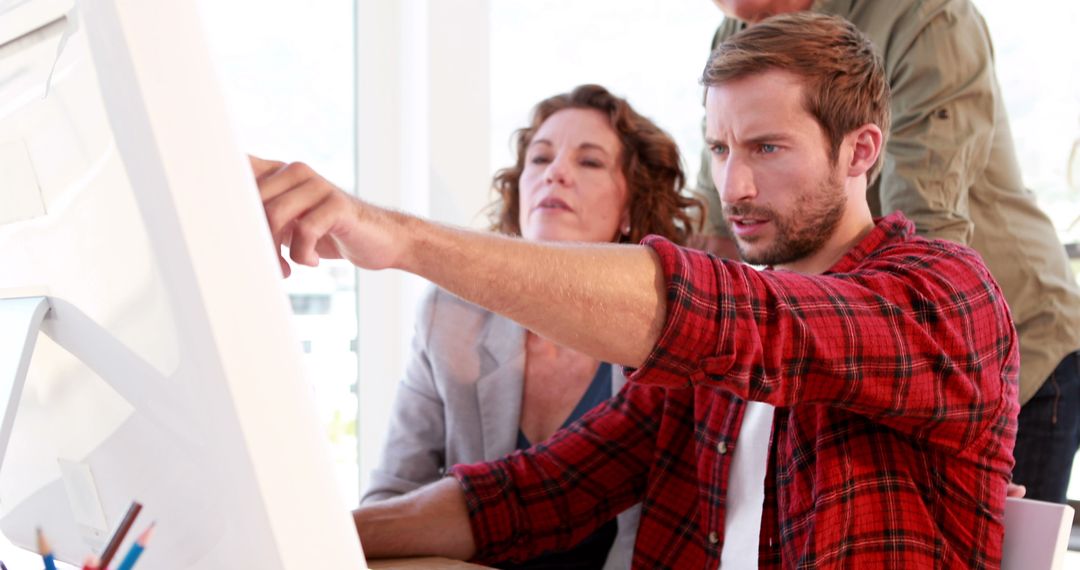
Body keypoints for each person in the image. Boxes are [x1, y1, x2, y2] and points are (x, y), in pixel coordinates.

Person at [252, 13, 1018, 568]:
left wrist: (403, 241)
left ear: (862, 151)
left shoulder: (945, 297)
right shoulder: (710, 364)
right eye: (720, 149)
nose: (736, 185)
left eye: (767, 148)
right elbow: (533, 495)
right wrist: (281, 539)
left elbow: (746, 321)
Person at [693, 0, 1080, 504]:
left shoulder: (924, 15)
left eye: (767, 148)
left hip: (1004, 344)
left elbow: (930, 232)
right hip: (842, 334)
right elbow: (721, 224)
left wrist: (965, 441)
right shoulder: (736, 31)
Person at [359, 84, 702, 570]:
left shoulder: (675, 329)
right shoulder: (450, 312)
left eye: (589, 162)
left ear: (630, 209)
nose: (555, 174)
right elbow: (394, 492)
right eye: (539, 160)